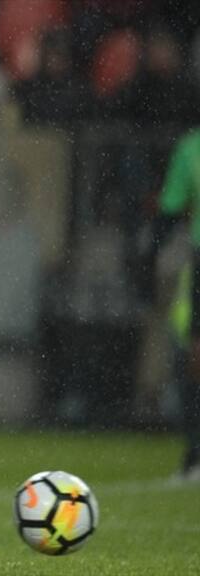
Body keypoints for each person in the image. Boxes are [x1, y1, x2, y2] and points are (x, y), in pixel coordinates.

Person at [142, 128, 200, 482]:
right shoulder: (191, 146)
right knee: (195, 359)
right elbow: (170, 207)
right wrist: (150, 254)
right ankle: (195, 455)